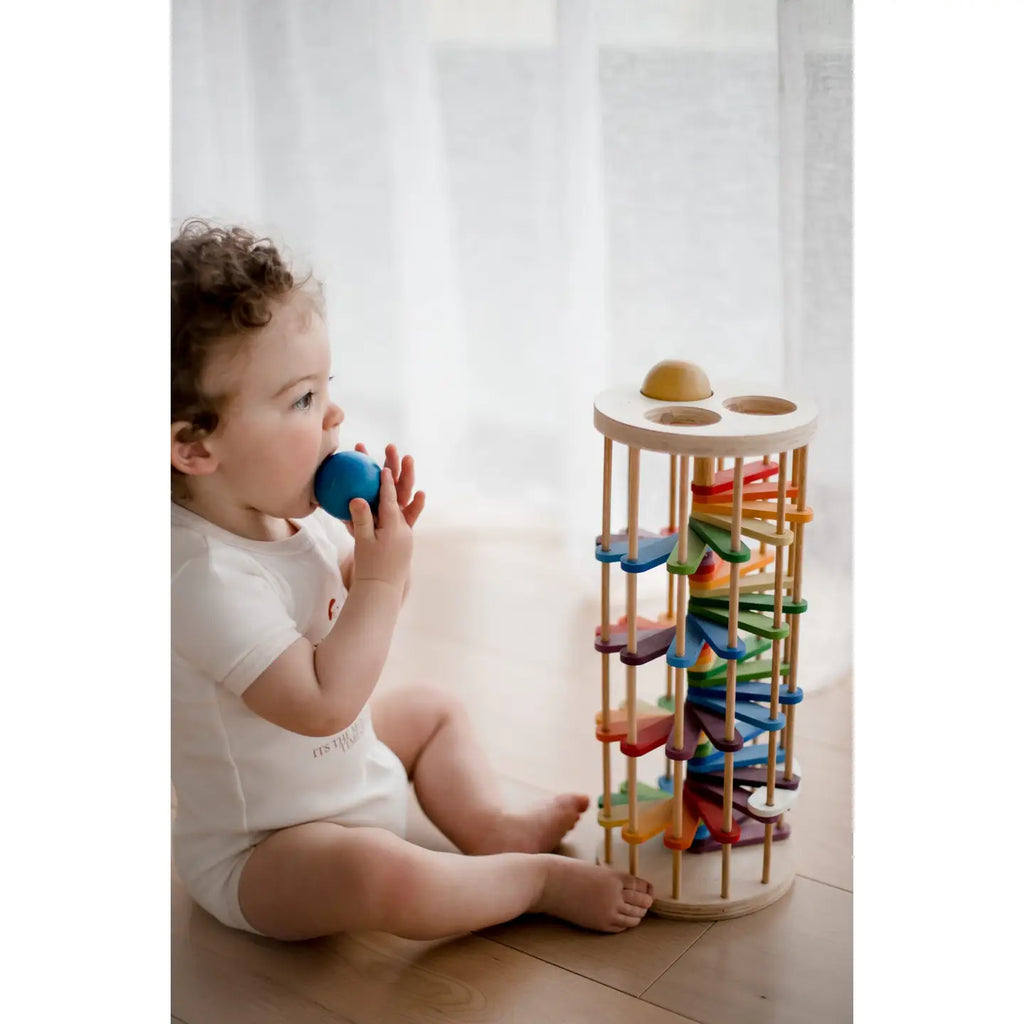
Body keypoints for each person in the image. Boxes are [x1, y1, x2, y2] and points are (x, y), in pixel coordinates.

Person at [170, 220, 654, 941]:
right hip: (268, 850)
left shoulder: (281, 511)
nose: (333, 413)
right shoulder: (200, 580)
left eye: (326, 387)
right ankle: (532, 882)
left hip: (350, 773)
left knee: (430, 710)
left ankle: (491, 827)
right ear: (194, 445)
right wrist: (382, 586)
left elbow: (336, 620)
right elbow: (324, 702)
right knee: (381, 874)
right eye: (301, 399)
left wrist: (369, 565)